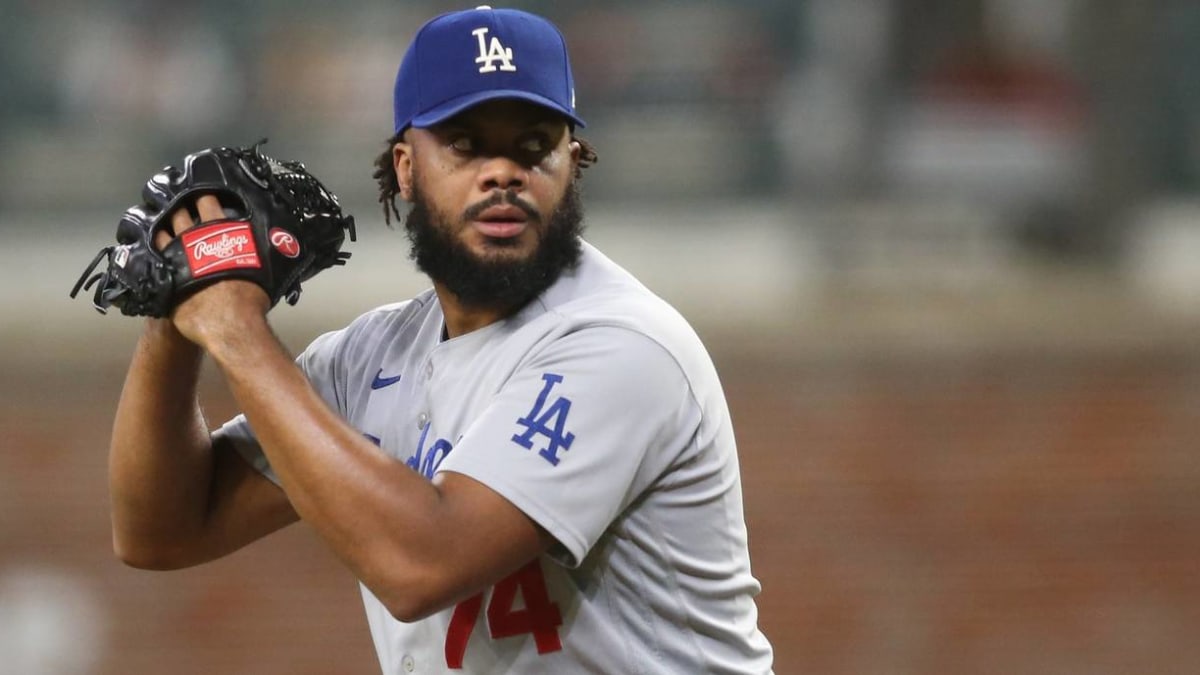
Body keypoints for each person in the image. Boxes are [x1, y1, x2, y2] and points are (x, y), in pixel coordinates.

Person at [108, 6, 775, 673]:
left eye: (534, 142)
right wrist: (178, 313)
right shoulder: (367, 360)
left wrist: (237, 330)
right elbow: (160, 530)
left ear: (574, 161)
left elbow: (421, 563)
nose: (503, 171)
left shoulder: (623, 345)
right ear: (404, 166)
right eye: (465, 143)